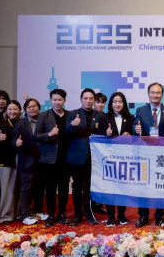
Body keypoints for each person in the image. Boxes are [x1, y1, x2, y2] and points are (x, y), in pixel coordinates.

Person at [66, 88, 108, 226]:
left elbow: (103, 134)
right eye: (85, 98)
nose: (88, 101)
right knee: (77, 186)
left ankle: (90, 213)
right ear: (81, 99)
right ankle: (77, 215)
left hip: (94, 157)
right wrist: (72, 125)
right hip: (77, 156)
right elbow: (65, 133)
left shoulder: (100, 116)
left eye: (91, 98)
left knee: (91, 186)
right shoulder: (73, 114)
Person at [133, 82, 164, 227]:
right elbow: (134, 125)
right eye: (153, 92)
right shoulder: (141, 110)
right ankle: (143, 216)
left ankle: (159, 215)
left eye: (158, 93)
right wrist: (135, 128)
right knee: (143, 185)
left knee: (159, 185)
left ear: (162, 95)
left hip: (161, 154)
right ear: (148, 94)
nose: (155, 95)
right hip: (145, 153)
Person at [35, 88, 71, 227]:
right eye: (55, 99)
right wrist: (49, 134)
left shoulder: (70, 115)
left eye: (60, 100)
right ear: (51, 100)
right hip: (49, 160)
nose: (57, 102)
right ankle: (50, 215)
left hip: (66, 159)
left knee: (63, 188)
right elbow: (37, 136)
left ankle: (61, 214)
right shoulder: (43, 116)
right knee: (50, 189)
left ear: (64, 101)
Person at [104, 92, 135, 227]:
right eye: (115, 101)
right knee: (110, 187)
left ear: (124, 103)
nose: (117, 104)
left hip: (124, 158)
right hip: (109, 158)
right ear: (111, 103)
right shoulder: (104, 117)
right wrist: (106, 133)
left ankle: (122, 214)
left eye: (120, 101)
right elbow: (97, 135)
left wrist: (130, 134)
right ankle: (111, 216)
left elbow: (135, 135)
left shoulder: (130, 117)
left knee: (123, 187)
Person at [13, 98, 42, 226]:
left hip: (42, 160)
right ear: (25, 110)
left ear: (39, 107)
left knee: (39, 188)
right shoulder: (21, 123)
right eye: (29, 107)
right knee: (26, 189)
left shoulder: (43, 120)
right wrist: (16, 143)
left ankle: (37, 211)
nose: (32, 109)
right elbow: (13, 141)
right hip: (26, 160)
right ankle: (25, 214)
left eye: (34, 106)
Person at [0, 100, 21, 224]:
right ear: (6, 111)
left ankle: (18, 213)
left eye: (15, 109)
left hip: (22, 159)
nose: (12, 111)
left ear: (20, 110)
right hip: (7, 160)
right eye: (10, 109)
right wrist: (0, 139)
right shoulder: (2, 125)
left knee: (19, 188)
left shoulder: (23, 123)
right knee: (7, 188)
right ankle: (6, 216)